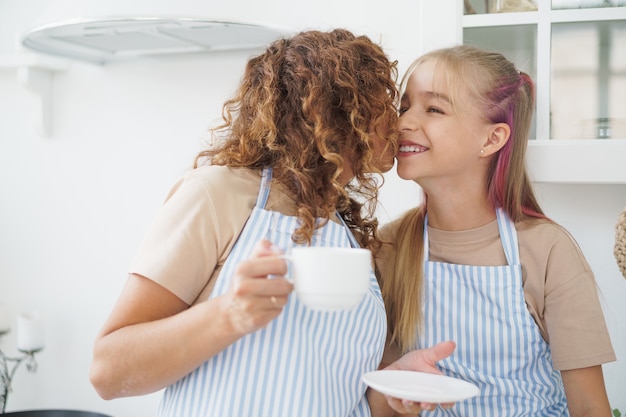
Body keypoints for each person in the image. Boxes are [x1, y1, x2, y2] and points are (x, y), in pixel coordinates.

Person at [89, 28, 454, 417]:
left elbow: (334, 396)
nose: (399, 121)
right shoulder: (219, 195)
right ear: (339, 112)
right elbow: (108, 371)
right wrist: (227, 314)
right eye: (386, 102)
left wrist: (395, 388)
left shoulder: (348, 231)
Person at [375, 45, 616, 416]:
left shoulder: (548, 250)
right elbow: (380, 400)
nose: (403, 122)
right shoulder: (388, 246)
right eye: (404, 106)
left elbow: (588, 408)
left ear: (491, 139)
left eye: (434, 109)